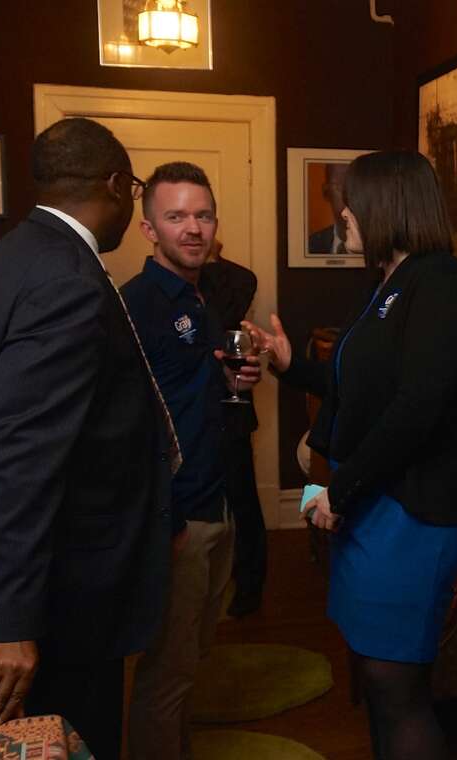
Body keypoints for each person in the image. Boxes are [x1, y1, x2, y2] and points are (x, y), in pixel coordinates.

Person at [0, 118, 176, 760]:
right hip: (57, 596)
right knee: (67, 743)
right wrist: (8, 624)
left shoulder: (21, 250)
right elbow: (19, 456)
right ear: (116, 185)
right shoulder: (66, 278)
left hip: (38, 578)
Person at [245, 150, 457, 760]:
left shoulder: (443, 281)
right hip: (376, 503)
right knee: (377, 677)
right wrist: (292, 365)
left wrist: (340, 489)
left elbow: (415, 410)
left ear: (387, 205)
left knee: (396, 683)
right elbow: (357, 387)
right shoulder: (387, 283)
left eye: (351, 201)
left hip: (415, 511)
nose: (343, 214)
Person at [122, 162, 261, 760]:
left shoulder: (200, 299)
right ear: (148, 228)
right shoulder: (137, 306)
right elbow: (128, 428)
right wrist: (168, 520)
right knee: (167, 674)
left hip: (216, 501)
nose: (193, 228)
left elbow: (185, 392)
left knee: (192, 659)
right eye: (176, 216)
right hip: (178, 519)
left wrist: (231, 376)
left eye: (202, 215)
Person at [202, 241, 266, 617]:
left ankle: (249, 589)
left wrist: (205, 264)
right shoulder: (166, 286)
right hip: (188, 411)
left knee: (243, 500)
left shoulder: (238, 278)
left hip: (231, 407)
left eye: (204, 218)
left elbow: (220, 316)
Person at [307, 162, 349, 254]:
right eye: (340, 186)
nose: (350, 195)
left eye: (357, 186)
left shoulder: (381, 247)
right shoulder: (310, 246)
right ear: (326, 192)